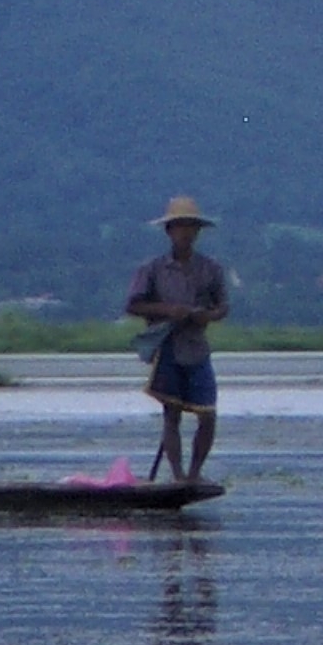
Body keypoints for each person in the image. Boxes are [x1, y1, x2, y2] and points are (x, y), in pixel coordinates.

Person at [126, 197, 229, 484]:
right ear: (169, 231)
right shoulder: (153, 269)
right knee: (172, 414)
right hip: (169, 347)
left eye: (191, 227)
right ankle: (178, 475)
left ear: (198, 231)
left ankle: (194, 474)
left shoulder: (210, 268)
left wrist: (206, 316)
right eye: (180, 227)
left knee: (207, 415)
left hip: (196, 347)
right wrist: (168, 311)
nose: (186, 232)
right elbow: (134, 305)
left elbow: (222, 307)